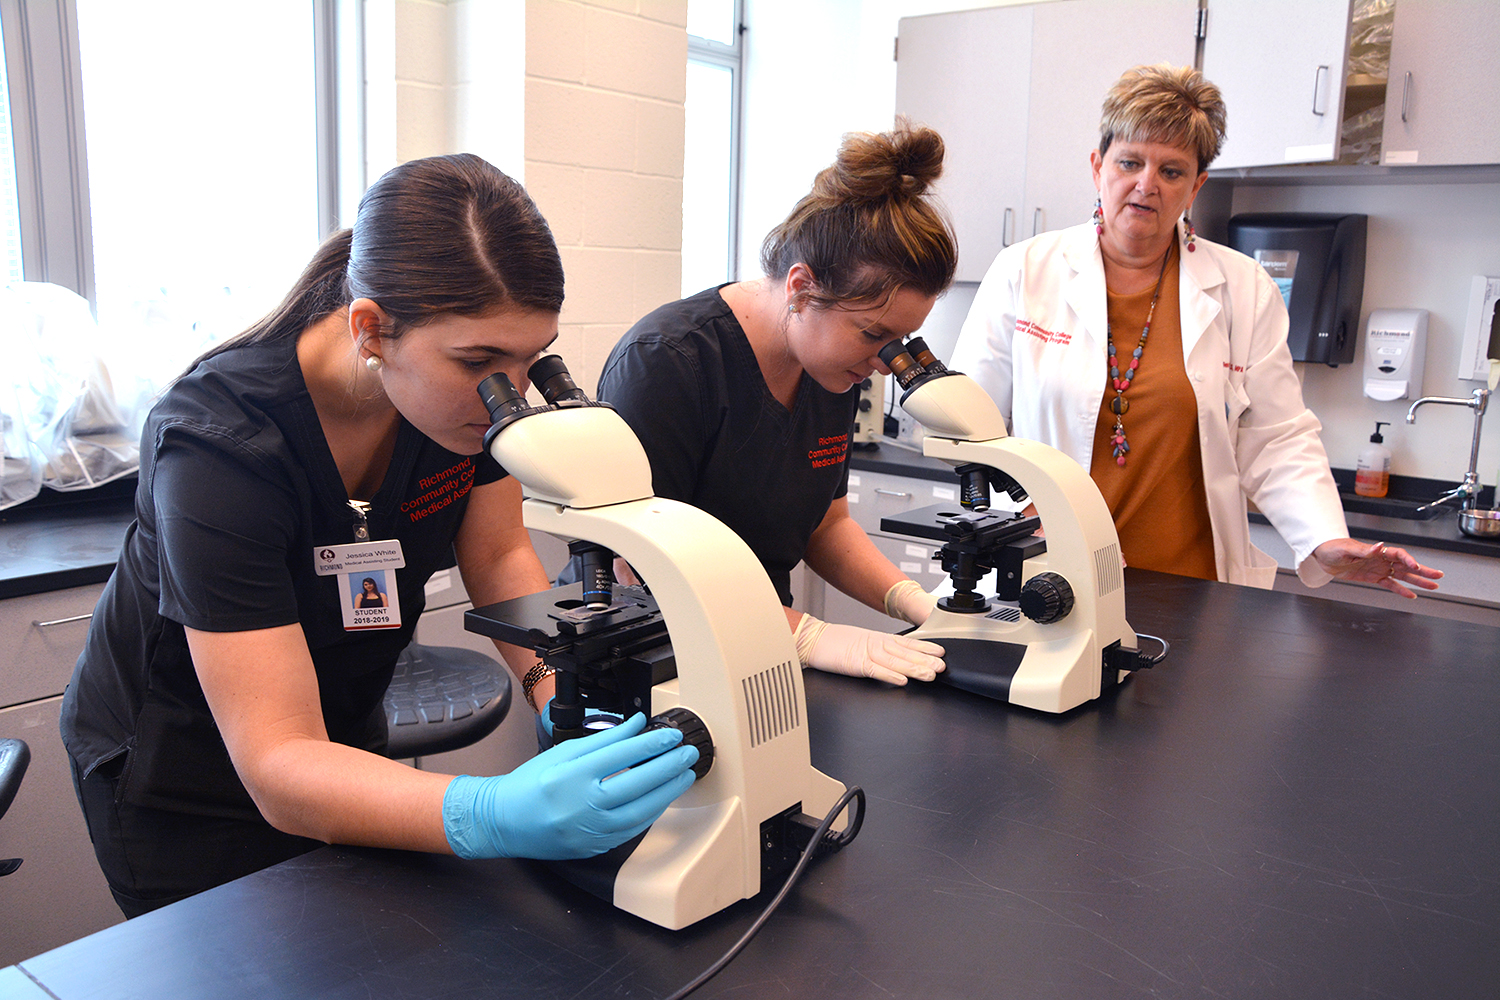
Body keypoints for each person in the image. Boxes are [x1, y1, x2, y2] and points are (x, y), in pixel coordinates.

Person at [59, 154, 700, 917]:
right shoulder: (219, 445)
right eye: (480, 361)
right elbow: (277, 761)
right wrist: (489, 811)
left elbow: (496, 555)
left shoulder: (451, 409)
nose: (512, 393)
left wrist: (555, 703)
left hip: (342, 740)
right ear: (372, 328)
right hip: (190, 779)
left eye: (531, 359)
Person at [949, 64, 1442, 597]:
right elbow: (969, 423)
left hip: (1190, 586)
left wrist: (1324, 538)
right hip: (1052, 575)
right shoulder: (1025, 271)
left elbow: (1275, 436)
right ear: (1098, 167)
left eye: (1172, 171)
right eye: (1130, 162)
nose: (1146, 185)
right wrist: (1018, 507)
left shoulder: (1242, 286)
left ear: (1196, 186)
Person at [594, 124, 954, 687]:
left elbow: (826, 527)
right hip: (648, 663)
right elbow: (639, 573)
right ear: (801, 287)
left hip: (766, 645)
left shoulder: (831, 366)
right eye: (872, 335)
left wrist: (913, 603)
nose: (885, 363)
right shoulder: (667, 363)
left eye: (897, 344)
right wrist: (812, 634)